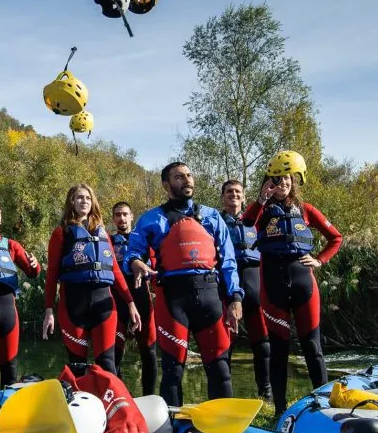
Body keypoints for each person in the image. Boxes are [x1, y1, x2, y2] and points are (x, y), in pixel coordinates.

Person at [124, 163, 243, 407]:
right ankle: (172, 432)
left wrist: (235, 298)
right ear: (167, 186)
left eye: (189, 175)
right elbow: (132, 252)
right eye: (179, 177)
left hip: (210, 295)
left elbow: (228, 261)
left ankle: (223, 430)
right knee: (173, 369)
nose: (187, 180)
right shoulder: (151, 219)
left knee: (220, 368)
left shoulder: (212, 217)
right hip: (172, 299)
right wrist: (136, 262)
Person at [242, 151, 342, 415]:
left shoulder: (306, 209)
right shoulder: (261, 209)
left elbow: (336, 238)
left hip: (303, 283)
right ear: (268, 182)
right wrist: (261, 199)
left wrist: (320, 260)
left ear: (293, 181)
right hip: (272, 286)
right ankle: (280, 409)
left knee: (313, 346)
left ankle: (324, 405)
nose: (281, 184)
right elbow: (246, 222)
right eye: (275, 180)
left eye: (285, 179)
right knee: (279, 349)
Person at [43, 184, 140, 376]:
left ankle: (110, 404)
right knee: (77, 366)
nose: (84, 201)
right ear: (71, 201)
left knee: (107, 364)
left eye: (87, 198)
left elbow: (116, 272)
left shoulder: (103, 234)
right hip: (73, 304)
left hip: (103, 303)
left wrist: (130, 302)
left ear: (92, 202)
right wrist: (48, 311)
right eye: (79, 198)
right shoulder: (61, 233)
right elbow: (52, 274)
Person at [219, 180, 272, 400]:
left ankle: (266, 391)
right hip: (227, 284)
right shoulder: (216, 221)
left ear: (244, 196)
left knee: (262, 341)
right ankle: (225, 395)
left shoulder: (258, 218)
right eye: (229, 191)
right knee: (226, 342)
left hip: (254, 280)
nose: (234, 195)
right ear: (223, 196)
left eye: (238, 191)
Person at [0, 200, 41, 387]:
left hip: (7, 307)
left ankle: (6, 412)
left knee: (9, 369)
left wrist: (35, 264)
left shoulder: (12, 245)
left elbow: (33, 272)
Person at [110, 201, 158, 396]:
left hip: (142, 296)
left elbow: (156, 266)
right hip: (117, 298)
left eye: (125, 214)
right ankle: (119, 399)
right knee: (115, 354)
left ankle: (149, 398)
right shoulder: (108, 241)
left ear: (132, 217)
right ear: (113, 219)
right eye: (118, 215)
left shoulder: (144, 239)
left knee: (149, 352)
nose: (121, 218)